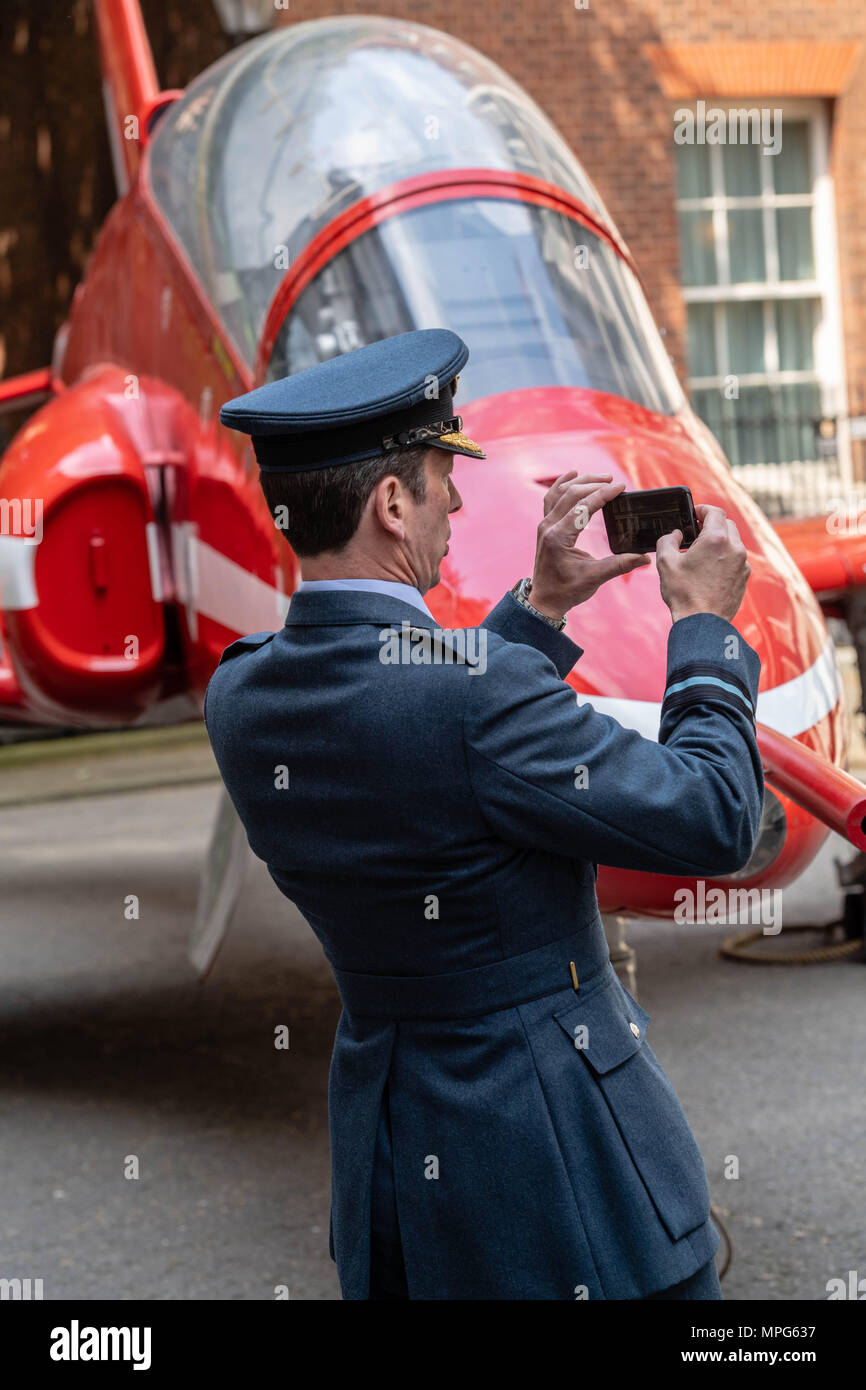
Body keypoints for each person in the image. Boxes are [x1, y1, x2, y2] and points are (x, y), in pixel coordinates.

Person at [204, 328, 763, 1300]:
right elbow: (714, 818)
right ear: (389, 502)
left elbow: (411, 733)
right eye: (436, 478)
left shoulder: (244, 694)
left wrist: (536, 611)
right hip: (562, 1175)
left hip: (397, 1178)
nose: (456, 501)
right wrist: (705, 631)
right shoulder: (474, 698)